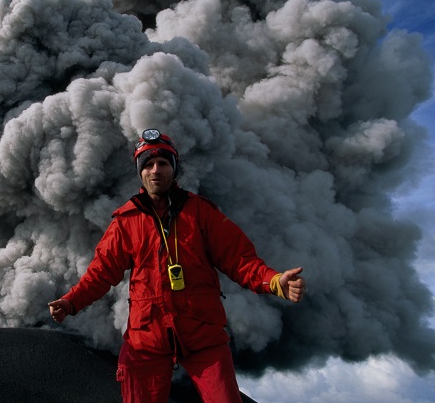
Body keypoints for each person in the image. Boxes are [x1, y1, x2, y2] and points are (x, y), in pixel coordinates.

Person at [48, 128, 306, 403]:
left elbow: (239, 259)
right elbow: (100, 274)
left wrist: (274, 281)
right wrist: (71, 301)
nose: (155, 170)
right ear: (140, 172)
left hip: (202, 336)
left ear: (174, 168)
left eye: (163, 163)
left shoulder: (201, 213)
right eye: (147, 164)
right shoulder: (126, 222)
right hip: (146, 340)